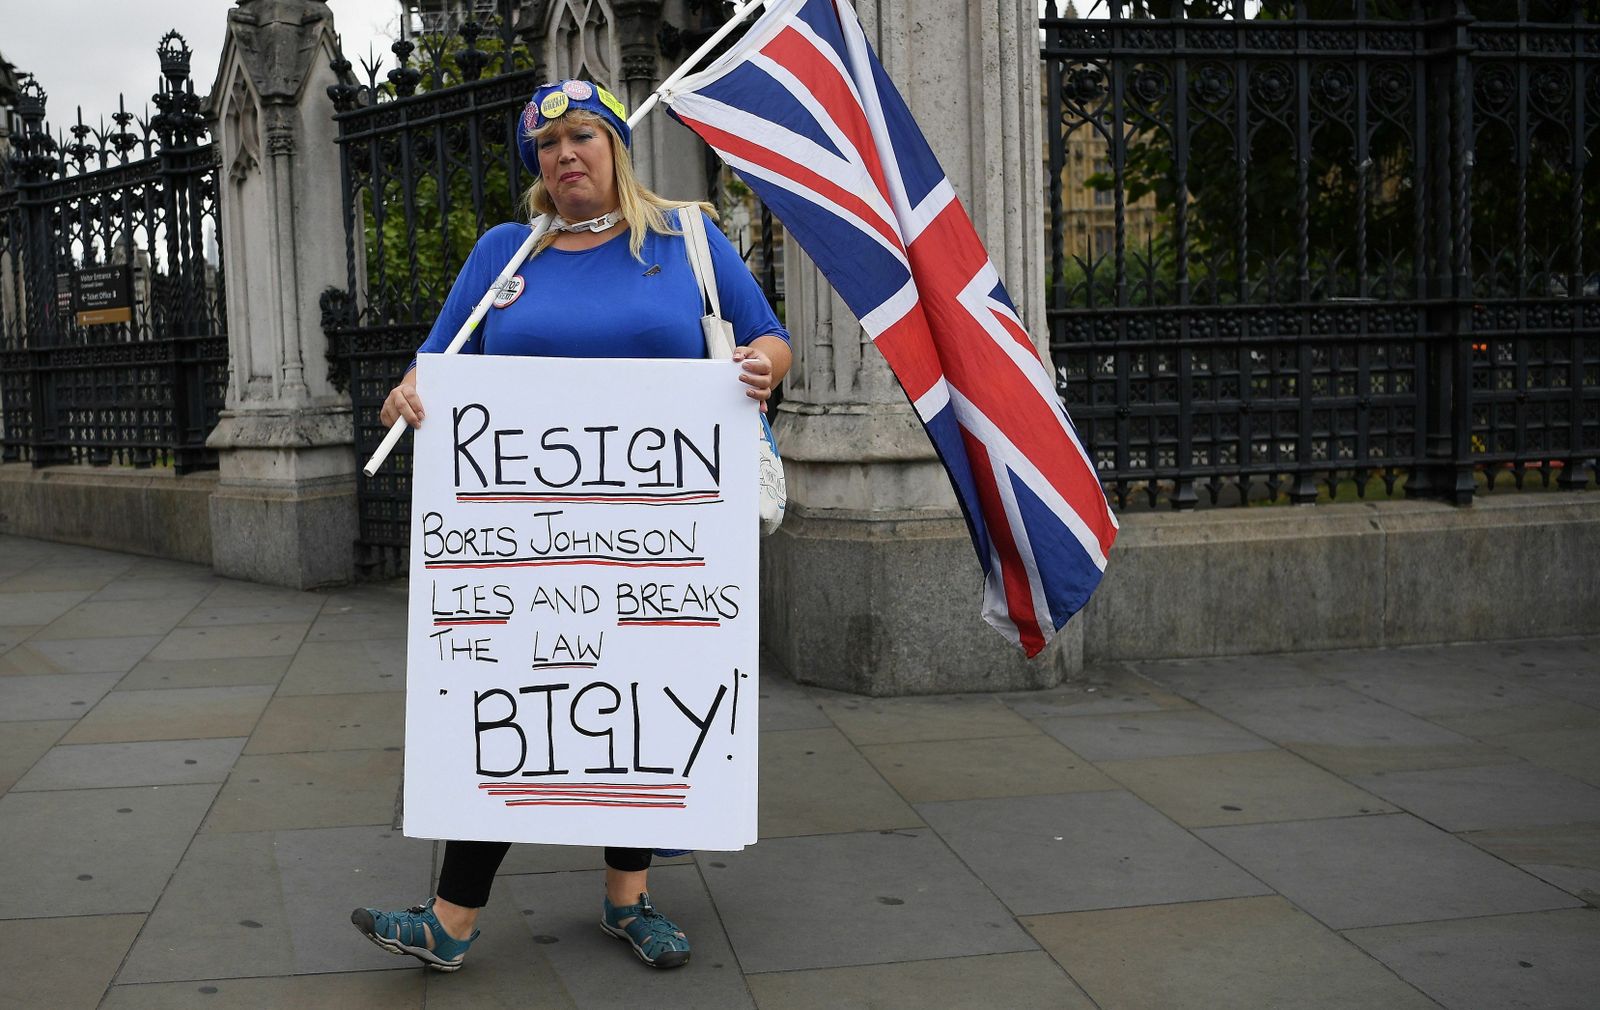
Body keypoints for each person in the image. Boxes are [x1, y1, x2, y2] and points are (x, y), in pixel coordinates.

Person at [350, 79, 790, 973]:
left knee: (637, 695)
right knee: (508, 697)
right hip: (526, 545)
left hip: (662, 537)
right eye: (547, 148)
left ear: (617, 148)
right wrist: (407, 392)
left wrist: (760, 367)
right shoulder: (505, 254)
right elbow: (437, 364)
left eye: (583, 137)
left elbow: (771, 336)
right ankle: (450, 919)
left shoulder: (686, 241)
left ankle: (629, 899)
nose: (565, 156)